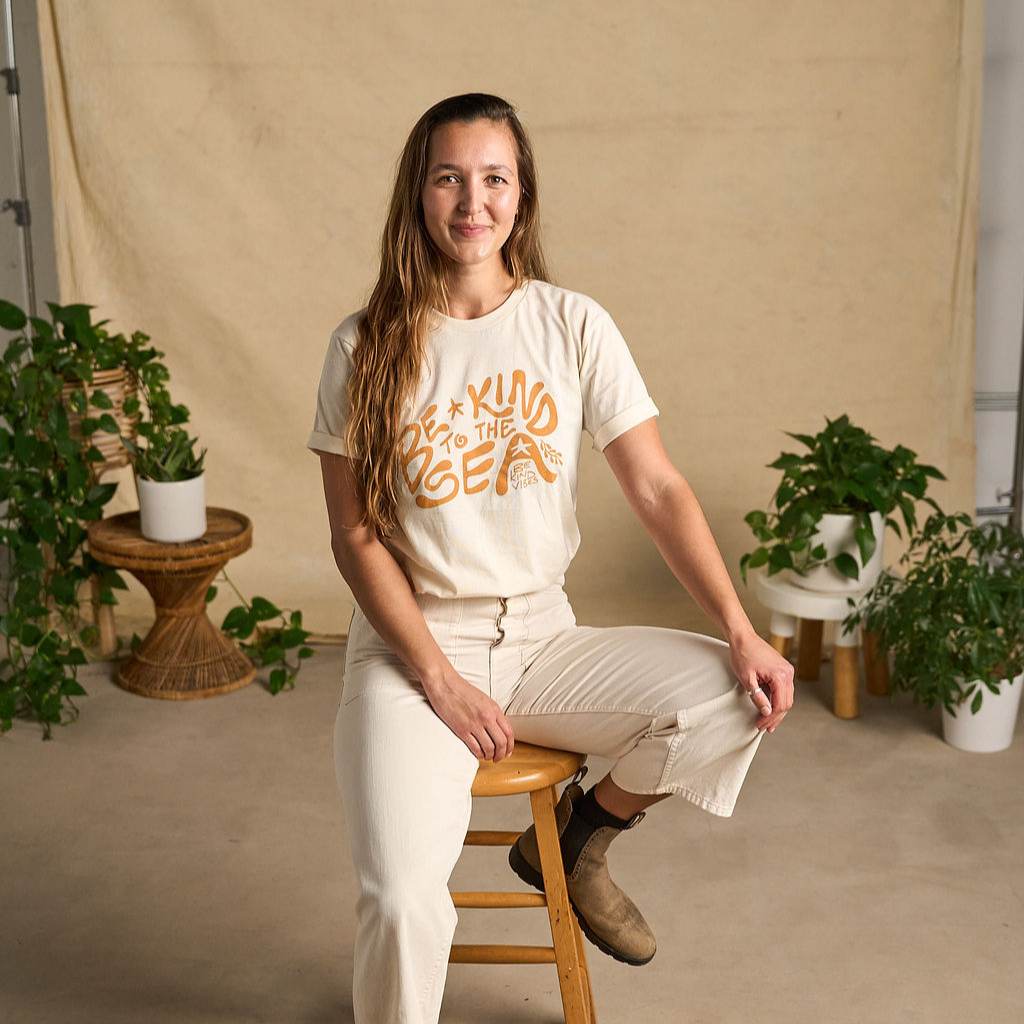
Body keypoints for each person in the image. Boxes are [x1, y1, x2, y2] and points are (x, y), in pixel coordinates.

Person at [307, 92, 794, 1024]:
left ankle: (576, 842)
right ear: (418, 195)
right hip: (412, 656)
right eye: (448, 177)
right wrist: (441, 682)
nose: (471, 202)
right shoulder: (363, 344)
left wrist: (740, 631)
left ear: (522, 197)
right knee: (404, 901)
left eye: (495, 179)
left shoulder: (572, 325)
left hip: (541, 639)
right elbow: (356, 536)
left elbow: (655, 488)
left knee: (737, 695)